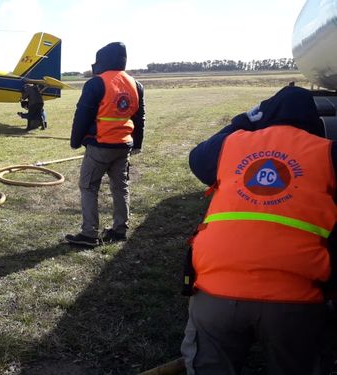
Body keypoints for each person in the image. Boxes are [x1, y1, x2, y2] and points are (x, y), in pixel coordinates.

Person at [181, 85, 337, 375]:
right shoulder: (328, 153)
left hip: (216, 292)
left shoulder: (232, 144)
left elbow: (196, 160)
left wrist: (243, 120)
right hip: (297, 301)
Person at [64, 42, 145, 247]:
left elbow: (82, 115)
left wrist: (75, 141)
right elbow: (139, 118)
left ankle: (89, 234)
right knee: (120, 188)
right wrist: (137, 144)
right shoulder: (135, 84)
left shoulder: (97, 83)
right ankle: (120, 230)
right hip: (123, 146)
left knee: (89, 187)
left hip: (100, 146)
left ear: (102, 61)